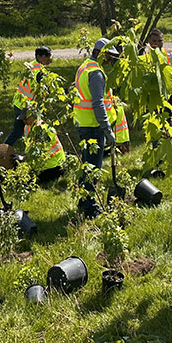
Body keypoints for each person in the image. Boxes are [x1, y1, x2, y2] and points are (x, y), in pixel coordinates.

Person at [73, 38, 119, 218]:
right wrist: (107, 130)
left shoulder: (85, 66)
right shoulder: (96, 73)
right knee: (94, 168)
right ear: (99, 53)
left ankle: (83, 200)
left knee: (86, 165)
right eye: (108, 56)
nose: (110, 60)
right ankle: (90, 207)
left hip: (84, 123)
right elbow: (98, 103)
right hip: (93, 126)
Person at [3, 46, 53, 147]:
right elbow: (48, 90)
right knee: (35, 131)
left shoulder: (32, 65)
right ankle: (36, 153)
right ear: (39, 57)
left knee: (18, 132)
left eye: (50, 55)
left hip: (20, 103)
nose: (49, 58)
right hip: (27, 106)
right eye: (46, 56)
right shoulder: (39, 71)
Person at [22, 117, 66, 185]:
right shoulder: (28, 127)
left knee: (30, 183)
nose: (24, 120)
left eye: (26, 118)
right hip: (41, 165)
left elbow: (40, 152)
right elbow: (29, 146)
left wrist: (25, 157)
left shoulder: (42, 129)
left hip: (53, 166)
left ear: (33, 117)